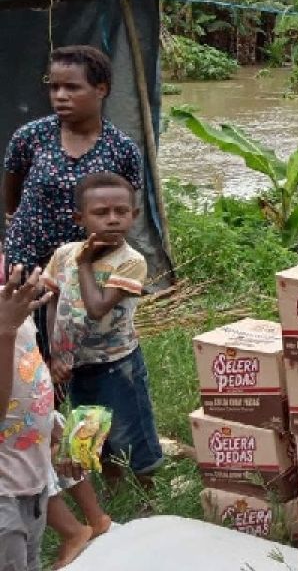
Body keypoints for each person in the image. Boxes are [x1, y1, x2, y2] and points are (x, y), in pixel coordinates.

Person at [2, 45, 139, 566]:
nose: (60, 96)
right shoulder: (30, 137)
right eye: (53, 86)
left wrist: (92, 263)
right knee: (28, 373)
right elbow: (11, 189)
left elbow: (125, 209)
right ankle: (50, 456)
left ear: (101, 89)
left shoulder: (120, 147)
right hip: (28, 276)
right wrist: (17, 232)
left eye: (72, 87)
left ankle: (95, 458)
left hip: (85, 284)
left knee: (82, 368)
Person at [45, 173, 162, 492]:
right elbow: (54, 300)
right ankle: (112, 488)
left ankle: (146, 491)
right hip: (77, 364)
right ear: (79, 218)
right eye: (101, 213)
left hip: (117, 365)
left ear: (134, 215)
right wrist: (58, 353)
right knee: (88, 429)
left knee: (130, 429)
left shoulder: (131, 262)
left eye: (121, 212)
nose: (112, 219)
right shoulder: (64, 253)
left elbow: (97, 308)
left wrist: (85, 265)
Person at [0, 265, 54, 571]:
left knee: (29, 560)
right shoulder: (8, 318)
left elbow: (29, 373)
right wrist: (4, 330)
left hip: (31, 479)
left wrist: (52, 426)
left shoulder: (12, 305)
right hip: (3, 496)